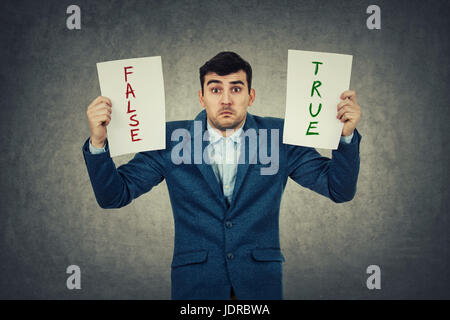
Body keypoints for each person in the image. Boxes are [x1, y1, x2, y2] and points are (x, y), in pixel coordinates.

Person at [82, 51, 362, 300]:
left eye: (236, 89)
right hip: (195, 284)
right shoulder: (168, 140)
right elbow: (114, 195)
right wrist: (97, 143)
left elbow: (338, 189)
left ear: (250, 96)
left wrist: (346, 136)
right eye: (215, 90)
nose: (226, 100)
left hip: (259, 284)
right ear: (201, 96)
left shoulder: (280, 138)